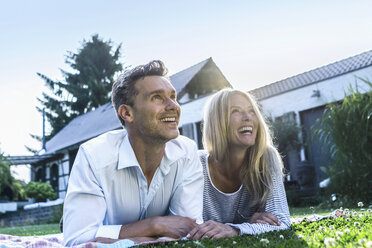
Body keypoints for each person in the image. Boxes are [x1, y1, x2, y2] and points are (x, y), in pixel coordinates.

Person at [63, 60, 203, 246]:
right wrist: (155, 225)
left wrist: (117, 238)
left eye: (173, 97)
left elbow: (187, 229)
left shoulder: (186, 152)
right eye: (157, 97)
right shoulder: (94, 156)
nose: (173, 106)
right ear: (127, 113)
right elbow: (77, 239)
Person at [187, 88, 290, 240]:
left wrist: (235, 229)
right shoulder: (195, 164)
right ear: (217, 122)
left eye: (252, 111)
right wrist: (248, 224)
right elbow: (187, 229)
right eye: (236, 111)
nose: (248, 117)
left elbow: (281, 221)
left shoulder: (266, 157)